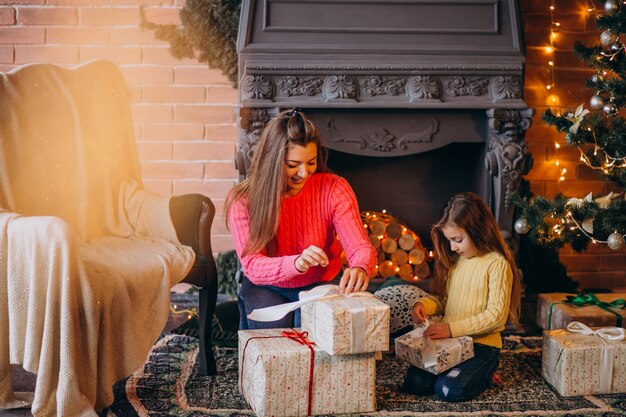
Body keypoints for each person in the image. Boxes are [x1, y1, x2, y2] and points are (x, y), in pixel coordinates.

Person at [226, 108, 377, 330]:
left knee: (311, 327)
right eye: (293, 165)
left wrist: (361, 267)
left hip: (321, 283)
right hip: (266, 286)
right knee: (277, 332)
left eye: (311, 162)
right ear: (272, 161)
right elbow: (253, 265)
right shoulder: (243, 200)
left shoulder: (334, 188)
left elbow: (360, 247)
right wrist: (296, 263)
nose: (304, 173)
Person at [399, 192, 522, 402]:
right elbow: (448, 303)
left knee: (448, 390)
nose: (453, 247)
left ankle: (485, 375)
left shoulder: (496, 264)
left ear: (478, 231)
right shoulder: (457, 261)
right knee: (415, 384)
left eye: (457, 240)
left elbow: (496, 317)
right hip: (451, 343)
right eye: (449, 241)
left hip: (481, 347)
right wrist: (424, 306)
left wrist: (450, 329)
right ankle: (467, 373)